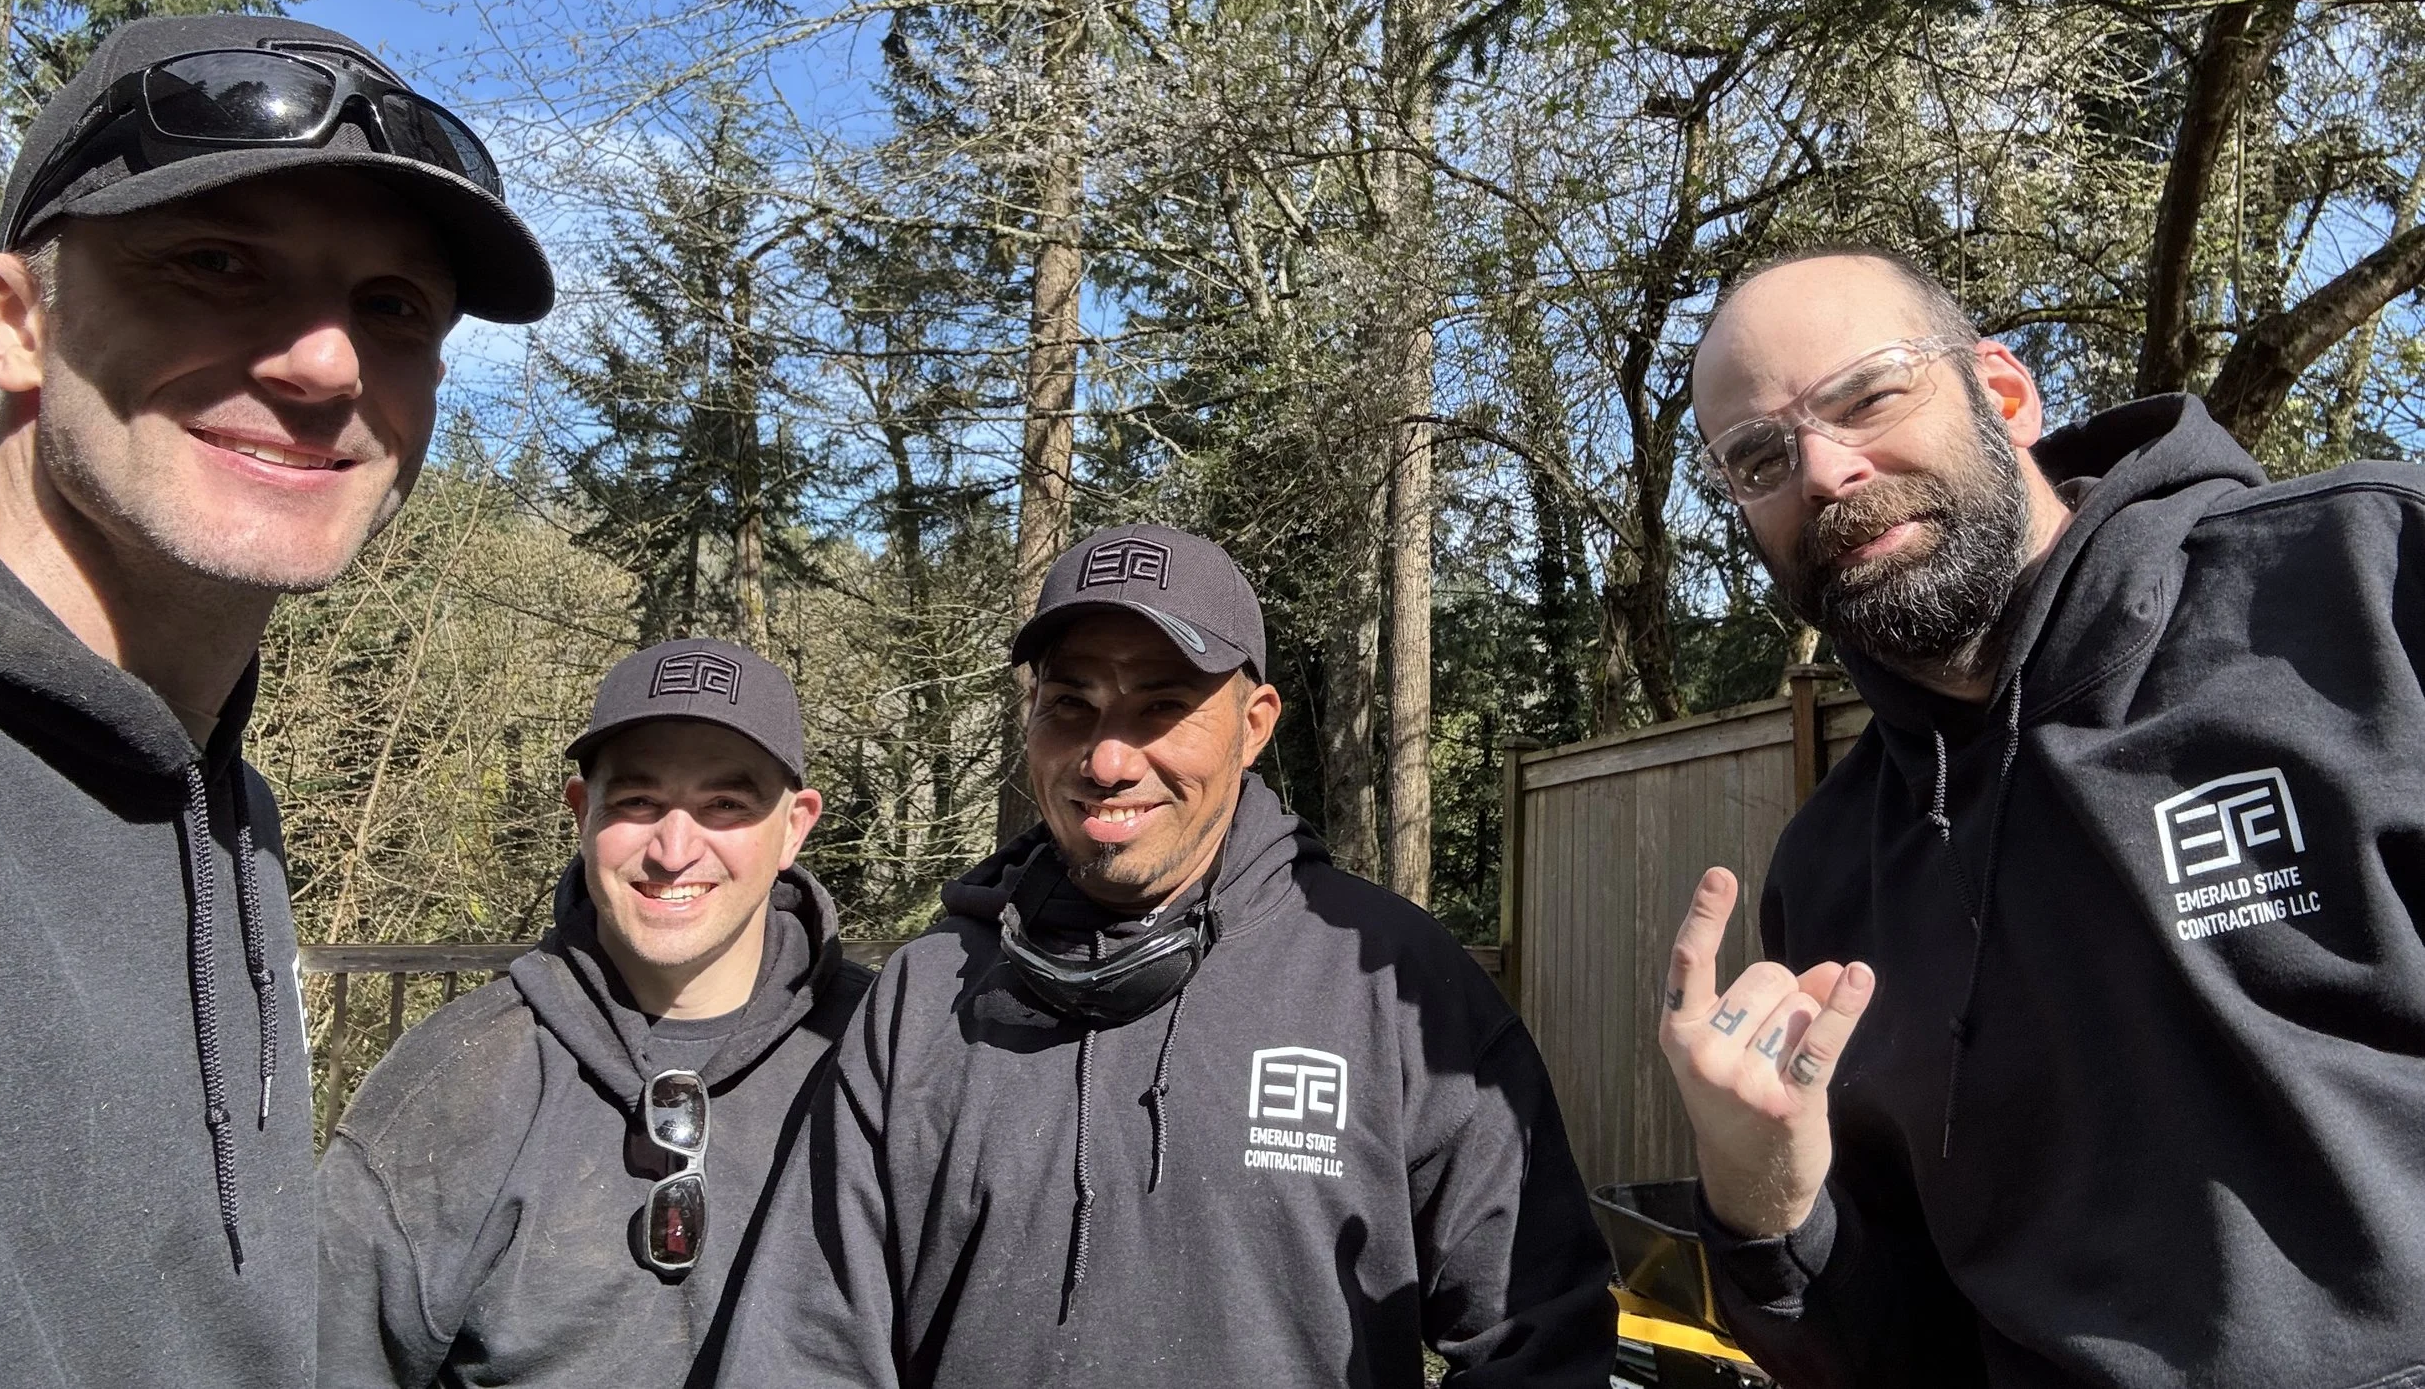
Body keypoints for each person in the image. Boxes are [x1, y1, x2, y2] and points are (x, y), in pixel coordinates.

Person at [1662, 247, 2425, 1387]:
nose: (1822, 472)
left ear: (2004, 395)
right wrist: (1764, 1197)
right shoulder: (1829, 873)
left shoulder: (2365, 582)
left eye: (1864, 396)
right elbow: (1894, 1354)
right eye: (1759, 458)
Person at [0, 14, 553, 1388]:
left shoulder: (226, 809)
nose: (327, 364)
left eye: (393, 306)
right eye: (219, 264)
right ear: (7, 320)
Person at [715, 523, 1615, 1387]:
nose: (1108, 757)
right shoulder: (924, 998)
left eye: (1162, 706)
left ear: (1255, 723)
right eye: (1072, 704)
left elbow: (1541, 1336)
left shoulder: (1393, 981)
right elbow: (807, 1344)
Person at [317, 637, 870, 1389]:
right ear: (582, 812)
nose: (675, 848)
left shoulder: (885, 1059)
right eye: (638, 802)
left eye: (725, 804)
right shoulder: (451, 1082)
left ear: (795, 826)